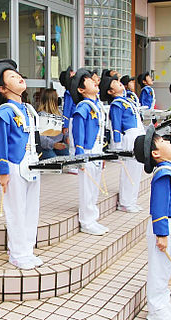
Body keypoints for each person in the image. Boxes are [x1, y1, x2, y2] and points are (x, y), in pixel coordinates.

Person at [0, 59, 42, 270]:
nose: (18, 77)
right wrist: (2, 171)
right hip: (14, 165)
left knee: (31, 209)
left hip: (32, 164)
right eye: (11, 77)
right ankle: (18, 253)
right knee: (16, 209)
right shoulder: (5, 111)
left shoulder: (28, 109)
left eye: (17, 74)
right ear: (2, 89)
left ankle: (27, 249)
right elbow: (0, 142)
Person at [133, 126, 171, 320]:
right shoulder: (163, 172)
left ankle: (164, 302)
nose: (168, 141)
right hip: (163, 226)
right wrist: (161, 233)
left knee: (165, 269)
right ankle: (156, 309)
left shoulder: (170, 168)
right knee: (159, 268)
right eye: (162, 141)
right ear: (155, 153)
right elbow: (158, 205)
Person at [70, 68, 109, 236]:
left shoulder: (96, 105)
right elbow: (78, 130)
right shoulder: (84, 106)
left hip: (97, 150)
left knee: (94, 186)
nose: (94, 80)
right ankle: (86, 221)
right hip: (87, 150)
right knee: (87, 186)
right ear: (81, 90)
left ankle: (93, 218)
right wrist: (79, 154)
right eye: (87, 80)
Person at [100, 75, 144, 213]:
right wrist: (118, 146)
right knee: (129, 170)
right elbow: (116, 127)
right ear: (110, 91)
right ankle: (125, 202)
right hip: (129, 136)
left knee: (137, 169)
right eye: (115, 83)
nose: (119, 83)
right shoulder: (116, 104)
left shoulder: (127, 100)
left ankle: (132, 200)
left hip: (138, 133)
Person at [37, 88, 69, 160]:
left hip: (58, 145)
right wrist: (54, 145)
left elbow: (64, 129)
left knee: (67, 157)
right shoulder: (42, 115)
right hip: (45, 147)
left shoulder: (60, 113)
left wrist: (66, 137)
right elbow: (40, 138)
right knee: (54, 160)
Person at [59, 66, 76, 155]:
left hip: (78, 118)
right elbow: (67, 109)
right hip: (73, 119)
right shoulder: (69, 93)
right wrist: (65, 125)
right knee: (73, 143)